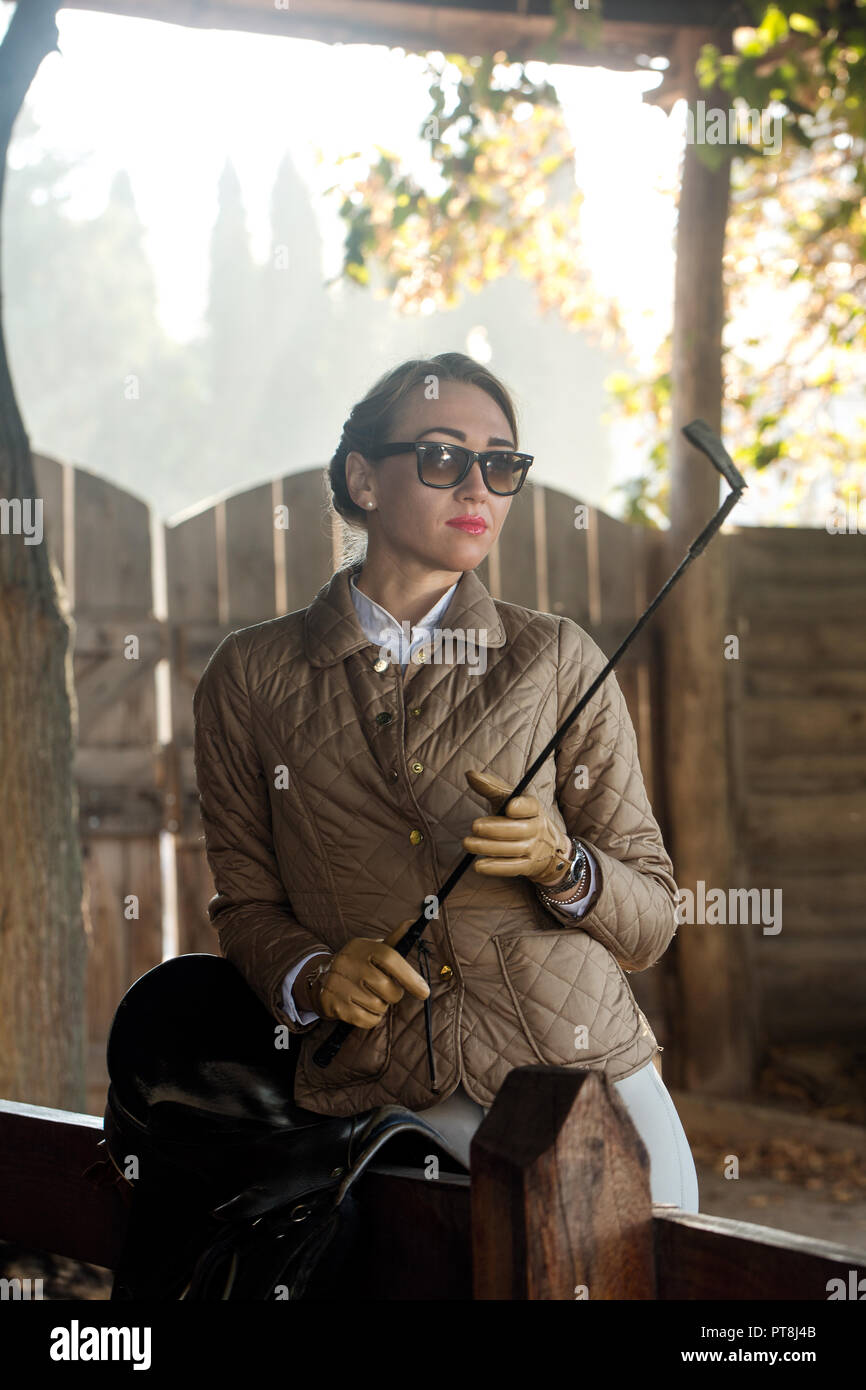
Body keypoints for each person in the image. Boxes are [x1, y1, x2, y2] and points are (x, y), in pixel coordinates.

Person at [192, 351, 698, 1214]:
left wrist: (562, 864)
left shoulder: (560, 659)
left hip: (588, 1086)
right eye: (441, 457)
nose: (476, 488)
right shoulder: (249, 676)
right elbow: (245, 907)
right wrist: (315, 974)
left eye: (500, 465)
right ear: (364, 478)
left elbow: (651, 918)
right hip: (385, 1097)